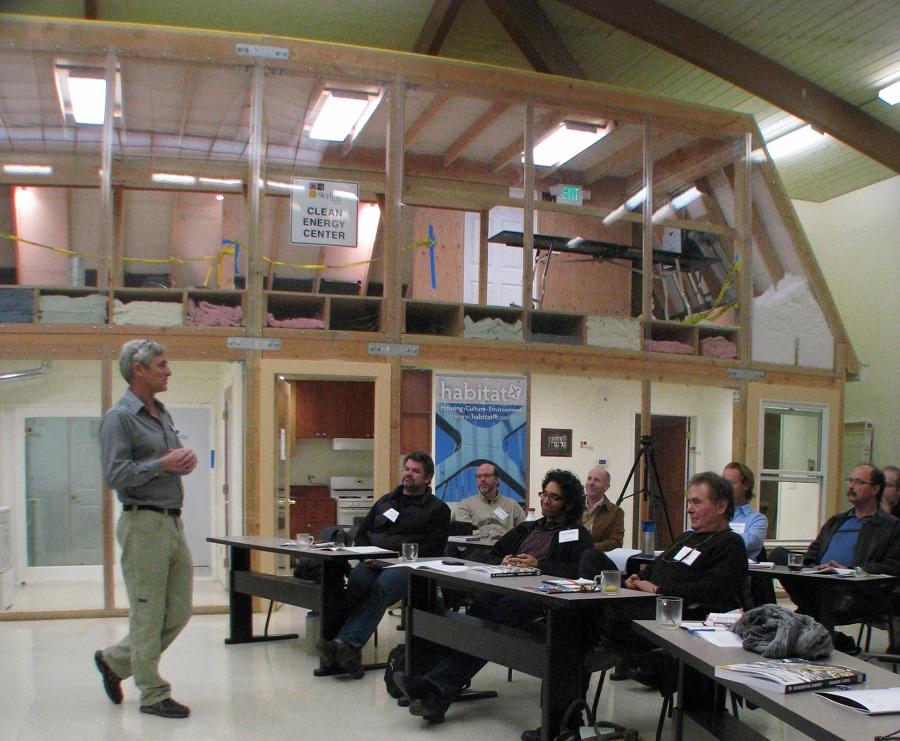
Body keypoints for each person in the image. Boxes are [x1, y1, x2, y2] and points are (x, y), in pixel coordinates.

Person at [392, 469, 593, 726]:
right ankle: (436, 690)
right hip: (504, 591)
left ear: (569, 504)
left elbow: (581, 572)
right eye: (544, 494)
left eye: (554, 497)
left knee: (493, 619)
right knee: (482, 613)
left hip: (540, 603)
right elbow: (492, 554)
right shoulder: (527, 529)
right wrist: (503, 560)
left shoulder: (577, 535)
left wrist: (539, 565)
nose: (546, 500)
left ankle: (435, 687)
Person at [94, 339, 198, 719]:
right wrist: (162, 464)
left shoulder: (162, 413)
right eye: (161, 365)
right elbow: (114, 474)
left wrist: (181, 463)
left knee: (179, 610)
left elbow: (164, 461)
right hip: (143, 522)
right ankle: (152, 693)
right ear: (138, 370)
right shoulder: (119, 417)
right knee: (148, 613)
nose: (168, 371)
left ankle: (114, 662)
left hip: (172, 521)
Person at [316, 452, 450, 678]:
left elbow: (435, 548)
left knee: (384, 586)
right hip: (373, 561)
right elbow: (363, 533)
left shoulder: (437, 509)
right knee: (358, 580)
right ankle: (344, 651)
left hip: (408, 566)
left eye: (416, 471)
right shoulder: (386, 501)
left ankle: (345, 643)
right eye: (407, 469)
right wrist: (366, 555)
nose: (409, 474)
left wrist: (397, 556)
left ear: (428, 478)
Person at [784, 463, 900, 640]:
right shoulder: (836, 521)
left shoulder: (891, 527)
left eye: (859, 482)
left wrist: (849, 569)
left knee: (807, 612)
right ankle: (831, 637)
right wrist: (815, 566)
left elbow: (893, 566)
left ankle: (822, 633)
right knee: (779, 555)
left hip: (855, 591)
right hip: (820, 580)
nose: (851, 486)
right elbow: (811, 554)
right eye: (849, 480)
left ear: (875, 489)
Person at [452, 461, 526, 538]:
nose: (482, 479)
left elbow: (525, 532)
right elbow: (463, 534)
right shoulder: (465, 505)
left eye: (487, 475)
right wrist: (492, 534)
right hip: (475, 548)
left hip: (505, 548)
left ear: (497, 479)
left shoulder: (512, 506)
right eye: (479, 476)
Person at [722, 461, 768, 560]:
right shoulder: (714, 514)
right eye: (722, 484)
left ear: (746, 485)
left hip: (741, 571)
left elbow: (749, 542)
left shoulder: (757, 519)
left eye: (730, 484)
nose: (725, 488)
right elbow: (693, 535)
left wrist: (714, 538)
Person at [581, 466, 624, 552]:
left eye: (597, 480)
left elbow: (616, 542)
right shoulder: (573, 505)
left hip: (597, 559)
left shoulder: (615, 512)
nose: (591, 483)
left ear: (606, 487)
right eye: (589, 479)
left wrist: (589, 547)